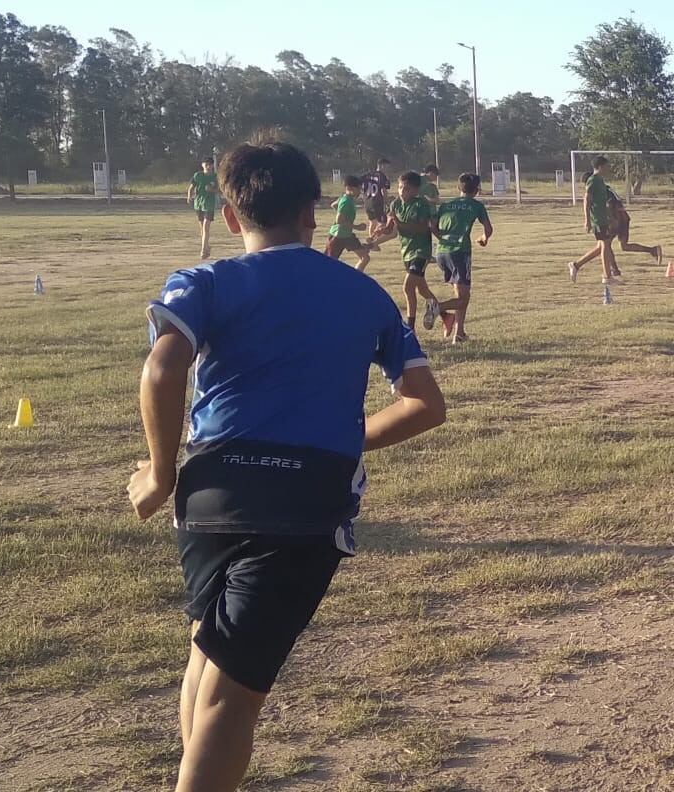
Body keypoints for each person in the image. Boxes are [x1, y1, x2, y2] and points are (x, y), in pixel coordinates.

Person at [127, 139, 446, 792]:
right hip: (302, 501)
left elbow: (163, 366)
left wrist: (160, 473)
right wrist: (341, 440)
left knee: (207, 656)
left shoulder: (204, 281)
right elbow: (424, 404)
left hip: (209, 491)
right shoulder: (364, 294)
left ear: (232, 217)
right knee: (232, 697)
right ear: (312, 212)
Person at [430, 172, 493, 343]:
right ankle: (438, 308)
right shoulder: (476, 205)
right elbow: (488, 229)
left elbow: (432, 225)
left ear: (458, 188)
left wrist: (442, 239)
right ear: (477, 190)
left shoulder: (446, 205)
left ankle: (459, 333)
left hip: (441, 252)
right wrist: (484, 238)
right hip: (460, 252)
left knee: (460, 293)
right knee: (464, 297)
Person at [386, 171, 440, 331]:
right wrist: (382, 229)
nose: (402, 191)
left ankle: (410, 328)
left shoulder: (421, 204)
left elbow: (422, 228)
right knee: (422, 289)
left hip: (421, 251)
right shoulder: (395, 204)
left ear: (416, 191)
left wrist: (399, 224)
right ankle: (445, 315)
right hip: (406, 250)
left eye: (407, 189)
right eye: (400, 187)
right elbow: (390, 226)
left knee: (408, 287)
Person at [569, 186, 662, 276]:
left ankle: (579, 265)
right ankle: (652, 250)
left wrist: (612, 219)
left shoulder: (599, 190)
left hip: (616, 218)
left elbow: (609, 204)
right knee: (623, 246)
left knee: (604, 245)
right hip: (623, 217)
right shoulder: (606, 188)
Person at [567, 155, 622, 286]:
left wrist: (611, 217)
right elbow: (587, 200)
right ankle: (607, 276)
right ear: (601, 167)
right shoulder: (593, 180)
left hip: (603, 218)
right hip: (597, 219)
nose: (609, 169)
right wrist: (587, 220)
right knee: (605, 245)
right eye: (607, 166)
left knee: (601, 246)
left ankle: (576, 265)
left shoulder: (601, 181)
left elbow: (603, 202)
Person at [323, 174, 371, 269]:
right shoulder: (346, 201)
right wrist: (357, 227)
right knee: (328, 264)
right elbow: (339, 220)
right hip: (338, 236)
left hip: (347, 235)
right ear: (350, 188)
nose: (360, 192)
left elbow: (334, 205)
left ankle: (355, 279)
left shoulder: (345, 198)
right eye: (358, 189)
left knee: (365, 257)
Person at [187, 157, 219, 259]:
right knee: (202, 228)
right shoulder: (198, 175)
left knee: (206, 227)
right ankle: (207, 246)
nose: (209, 166)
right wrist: (189, 196)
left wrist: (212, 190)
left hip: (209, 204)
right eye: (207, 164)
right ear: (203, 165)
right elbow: (191, 187)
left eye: (210, 164)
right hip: (199, 204)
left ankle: (203, 251)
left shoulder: (215, 177)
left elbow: (220, 190)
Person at [361, 157, 392, 232]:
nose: (388, 169)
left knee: (372, 222)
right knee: (383, 223)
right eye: (387, 167)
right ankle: (374, 240)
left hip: (367, 202)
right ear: (382, 165)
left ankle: (371, 241)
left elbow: (360, 186)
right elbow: (383, 190)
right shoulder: (382, 176)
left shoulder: (367, 175)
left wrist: (364, 197)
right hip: (377, 202)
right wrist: (387, 203)